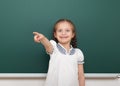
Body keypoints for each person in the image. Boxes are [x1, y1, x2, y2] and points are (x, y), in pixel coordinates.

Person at [33, 19, 85, 86]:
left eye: (67, 30)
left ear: (73, 34)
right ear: (55, 34)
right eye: (60, 30)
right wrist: (42, 38)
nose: (63, 33)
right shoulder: (54, 48)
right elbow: (48, 45)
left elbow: (81, 76)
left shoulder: (78, 53)